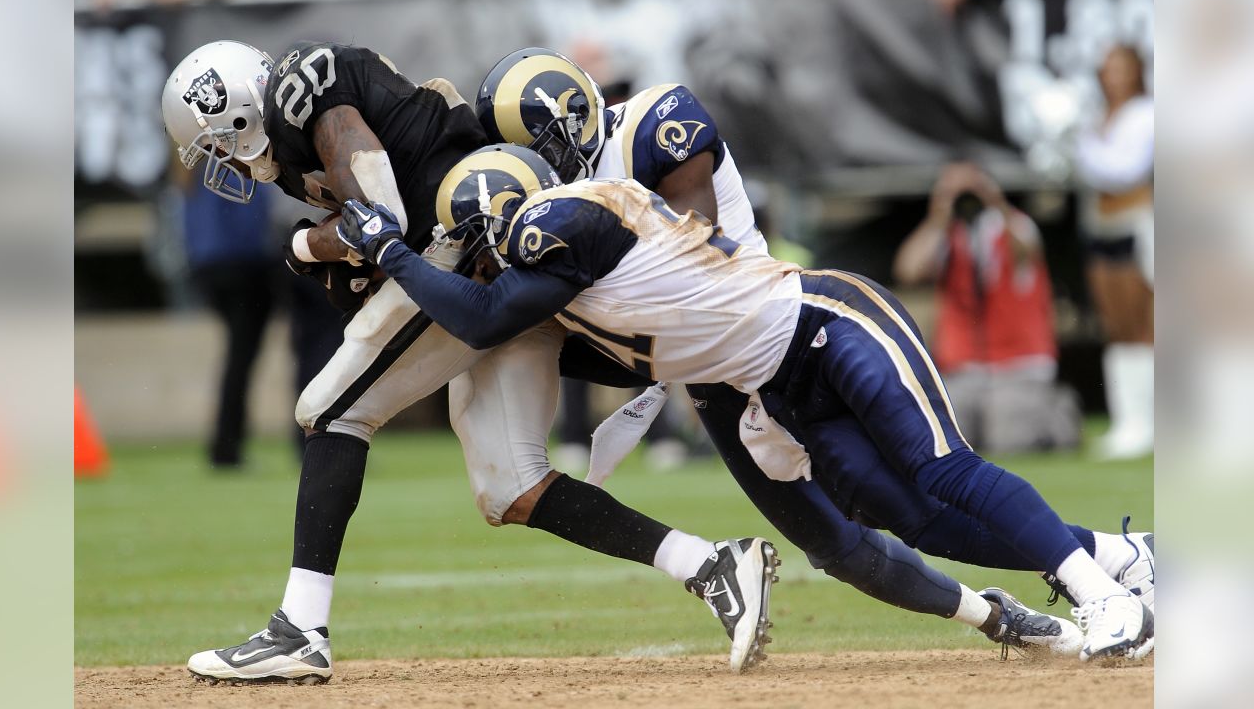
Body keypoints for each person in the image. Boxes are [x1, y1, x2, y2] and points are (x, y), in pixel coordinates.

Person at [341, 147, 1155, 663]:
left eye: (474, 248)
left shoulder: (552, 223)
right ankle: (1127, 561)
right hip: (781, 384)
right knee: (916, 518)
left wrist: (388, 249)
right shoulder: (571, 275)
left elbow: (480, 313)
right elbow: (511, 320)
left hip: (826, 322)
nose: (478, 270)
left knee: (942, 470)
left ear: (500, 219)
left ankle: (1105, 596)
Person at [478, 48, 1151, 643]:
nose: (543, 171)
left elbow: (691, 256)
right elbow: (619, 349)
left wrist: (564, 288)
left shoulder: (655, 120)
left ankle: (1103, 593)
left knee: (942, 468)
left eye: (543, 149)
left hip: (801, 323)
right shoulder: (556, 213)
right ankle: (1104, 566)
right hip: (732, 384)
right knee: (877, 535)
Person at [163, 39, 778, 682]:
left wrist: (305, 246)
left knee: (331, 410)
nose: (219, 161)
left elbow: (381, 221)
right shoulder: (293, 149)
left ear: (232, 114)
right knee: (511, 485)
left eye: (214, 143)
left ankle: (299, 628)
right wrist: (325, 248)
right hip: (492, 252)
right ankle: (712, 566)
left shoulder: (305, 90)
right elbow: (362, 226)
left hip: (463, 246)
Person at [893, 163, 1080, 453]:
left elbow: (1026, 253)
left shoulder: (1014, 225)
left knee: (1009, 442)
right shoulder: (946, 236)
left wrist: (996, 203)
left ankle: (1058, 412)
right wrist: (938, 216)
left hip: (1018, 364)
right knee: (946, 442)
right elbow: (908, 270)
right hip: (964, 366)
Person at [1076, 45, 1154, 460]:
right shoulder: (1096, 117)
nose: (1114, 76)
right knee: (1116, 327)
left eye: (1122, 68)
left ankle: (1151, 423)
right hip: (1100, 226)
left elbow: (1125, 171)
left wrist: (1082, 149)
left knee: (1144, 325)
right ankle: (1128, 421)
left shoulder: (1146, 113)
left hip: (1134, 224)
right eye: (1107, 69)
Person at [179, 169, 280, 468]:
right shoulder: (230, 167)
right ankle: (226, 444)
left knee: (239, 357)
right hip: (244, 265)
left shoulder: (191, 171)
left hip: (209, 265)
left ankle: (226, 442)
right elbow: (254, 219)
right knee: (241, 358)